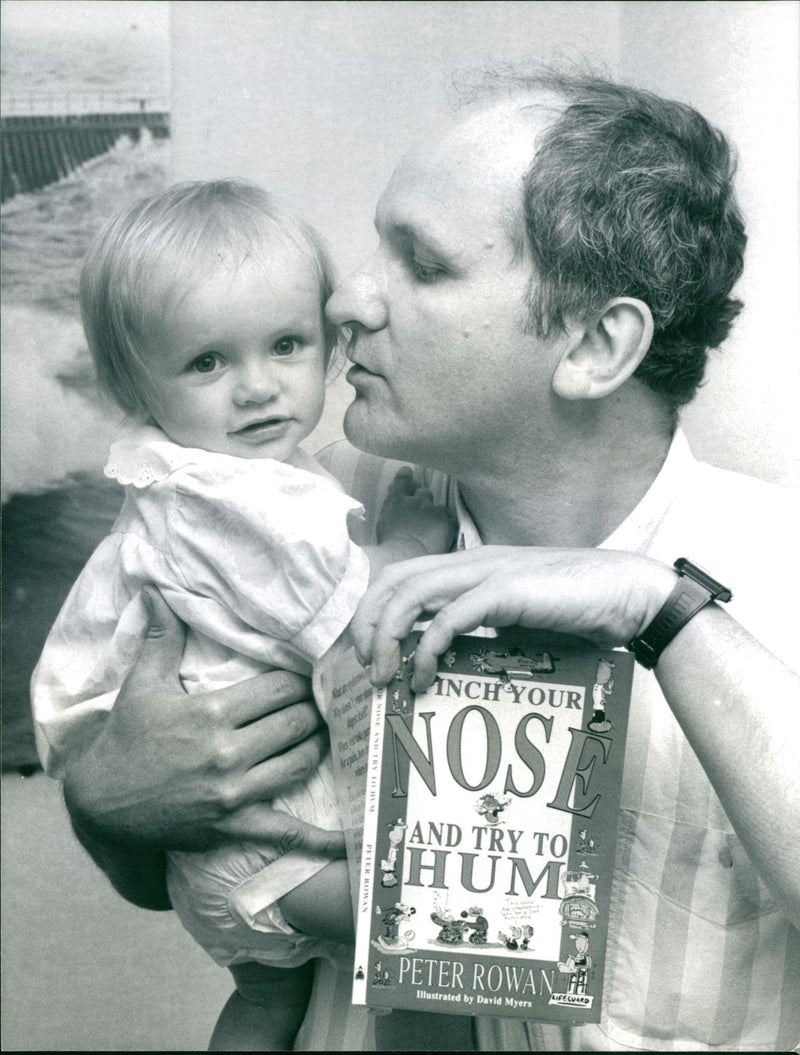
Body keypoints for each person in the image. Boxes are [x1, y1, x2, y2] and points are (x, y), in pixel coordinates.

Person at [55, 70, 799, 1051]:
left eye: (423, 263)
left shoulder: (779, 570)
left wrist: (661, 610)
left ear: (591, 344)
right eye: (374, 246)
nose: (344, 298)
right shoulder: (292, 514)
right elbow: (190, 856)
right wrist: (108, 803)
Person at [30, 180, 454, 1051]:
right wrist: (409, 545)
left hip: (228, 859)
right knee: (428, 952)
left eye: (287, 345)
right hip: (274, 845)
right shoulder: (237, 497)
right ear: (134, 385)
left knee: (267, 1008)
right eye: (207, 363)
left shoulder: (192, 482)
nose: (258, 388)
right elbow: (360, 619)